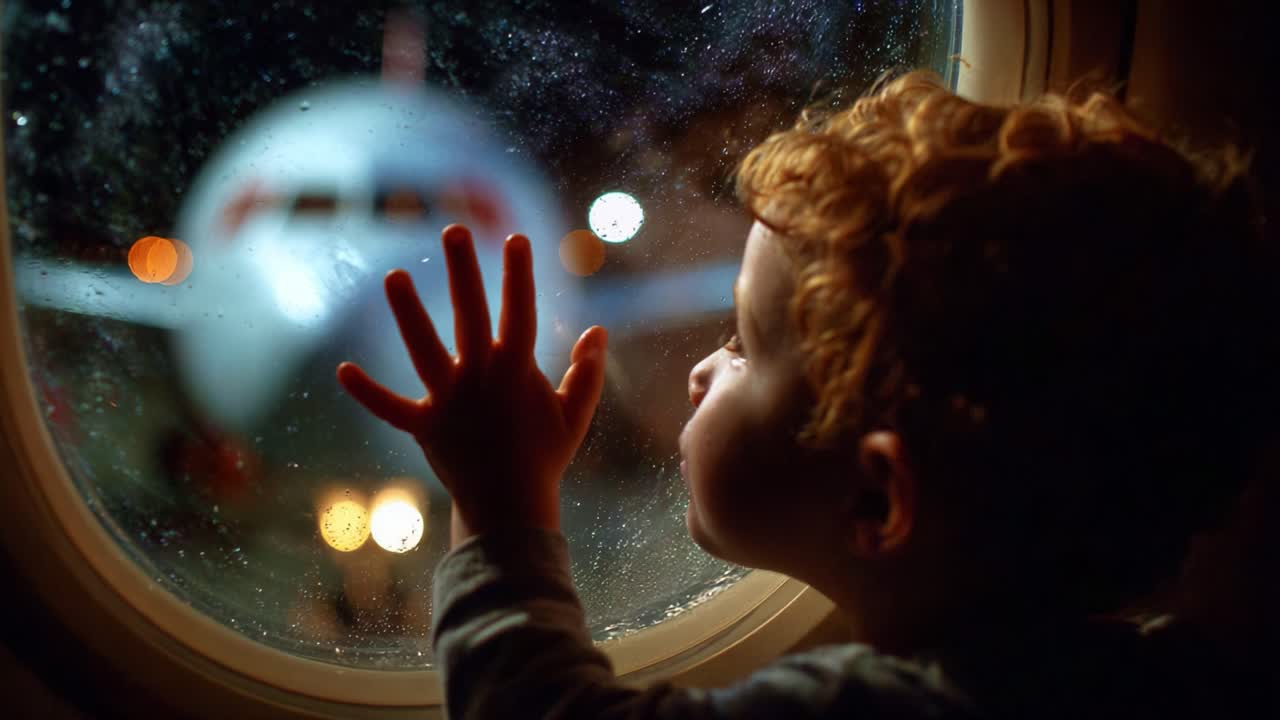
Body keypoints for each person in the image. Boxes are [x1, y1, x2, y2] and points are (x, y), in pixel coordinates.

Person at [336, 71, 1275, 719]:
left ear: (875, 500)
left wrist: (500, 505)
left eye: (746, 346)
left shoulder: (862, 710)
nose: (705, 368)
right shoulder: (1180, 679)